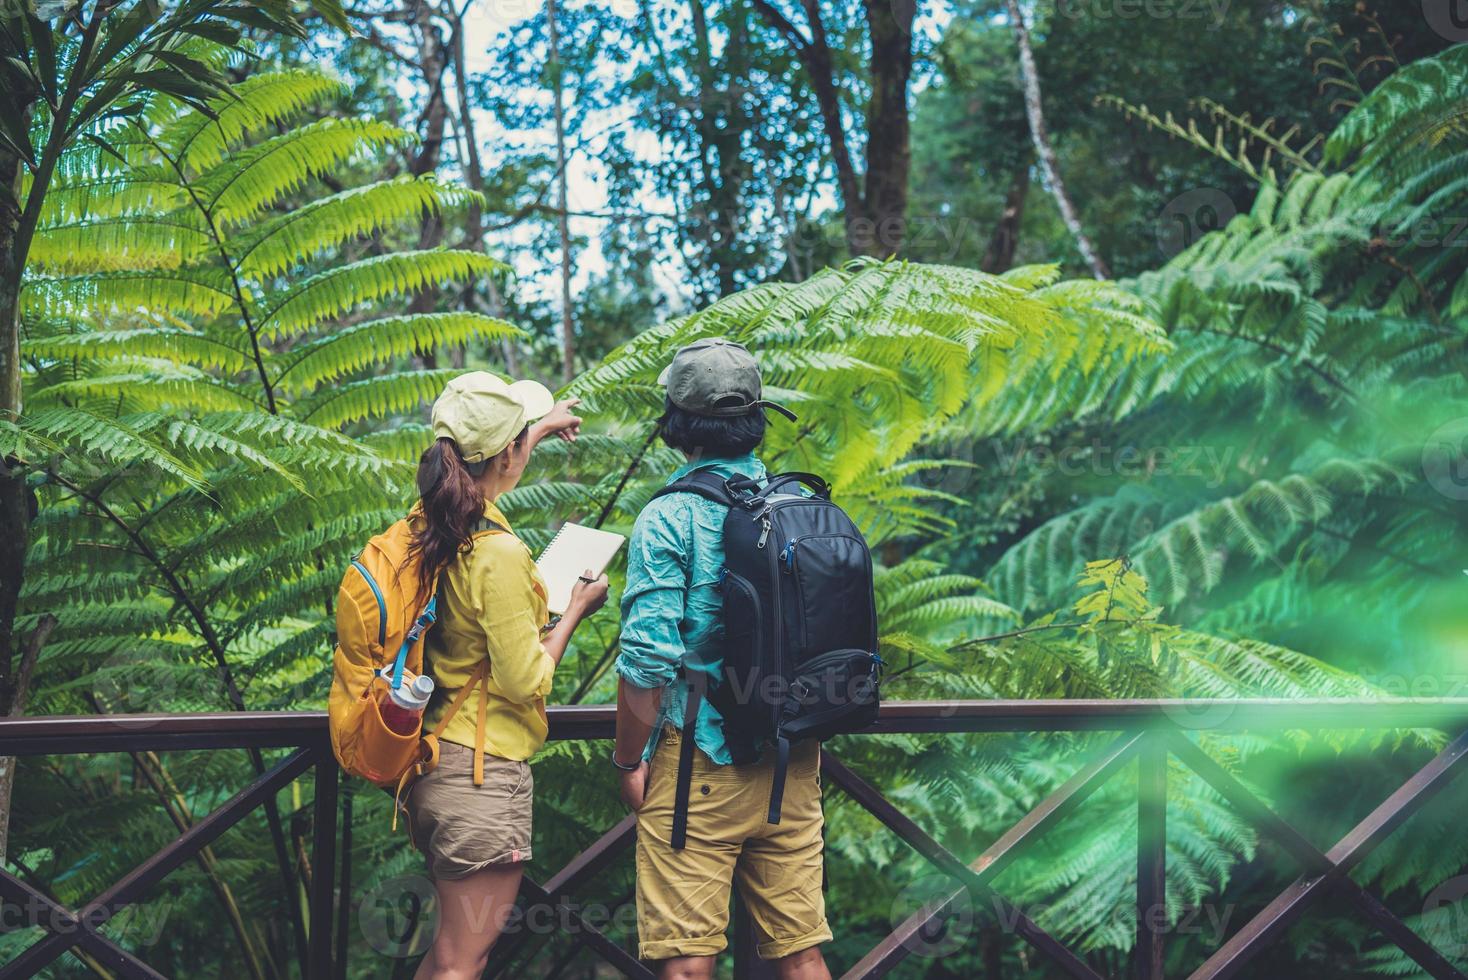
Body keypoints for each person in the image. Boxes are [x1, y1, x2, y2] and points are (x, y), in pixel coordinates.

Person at [613, 338, 832, 980]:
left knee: (687, 962)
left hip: (696, 764)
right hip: (791, 757)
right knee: (802, 954)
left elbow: (647, 662)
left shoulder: (669, 516)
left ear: (678, 426)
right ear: (758, 417)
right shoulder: (800, 504)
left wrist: (629, 759)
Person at [405, 372, 609, 980]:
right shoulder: (499, 553)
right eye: (521, 437)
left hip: (437, 759)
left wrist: (535, 432)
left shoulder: (431, 522)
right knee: (464, 961)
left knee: (448, 953)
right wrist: (573, 610)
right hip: (483, 776)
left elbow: (475, 474)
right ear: (505, 454)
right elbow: (524, 681)